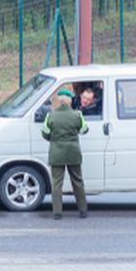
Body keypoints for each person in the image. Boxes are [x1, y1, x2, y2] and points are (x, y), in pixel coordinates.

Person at [40, 89, 88, 220]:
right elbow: (84, 130)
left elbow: (44, 133)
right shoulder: (77, 115)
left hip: (56, 152)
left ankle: (57, 212)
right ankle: (82, 210)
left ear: (60, 101)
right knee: (77, 181)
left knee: (57, 183)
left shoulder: (50, 116)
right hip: (73, 151)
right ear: (70, 101)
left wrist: (54, 139)